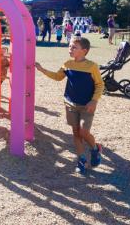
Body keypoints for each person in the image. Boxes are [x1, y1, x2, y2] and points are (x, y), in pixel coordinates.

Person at [35, 37, 104, 174]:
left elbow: (100, 84)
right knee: (76, 132)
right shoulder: (67, 64)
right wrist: (42, 69)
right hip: (70, 104)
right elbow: (57, 77)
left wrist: (94, 100)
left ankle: (95, 149)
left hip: (87, 106)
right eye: (70, 46)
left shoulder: (92, 66)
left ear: (84, 51)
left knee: (84, 132)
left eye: (74, 47)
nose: (70, 49)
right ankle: (81, 159)